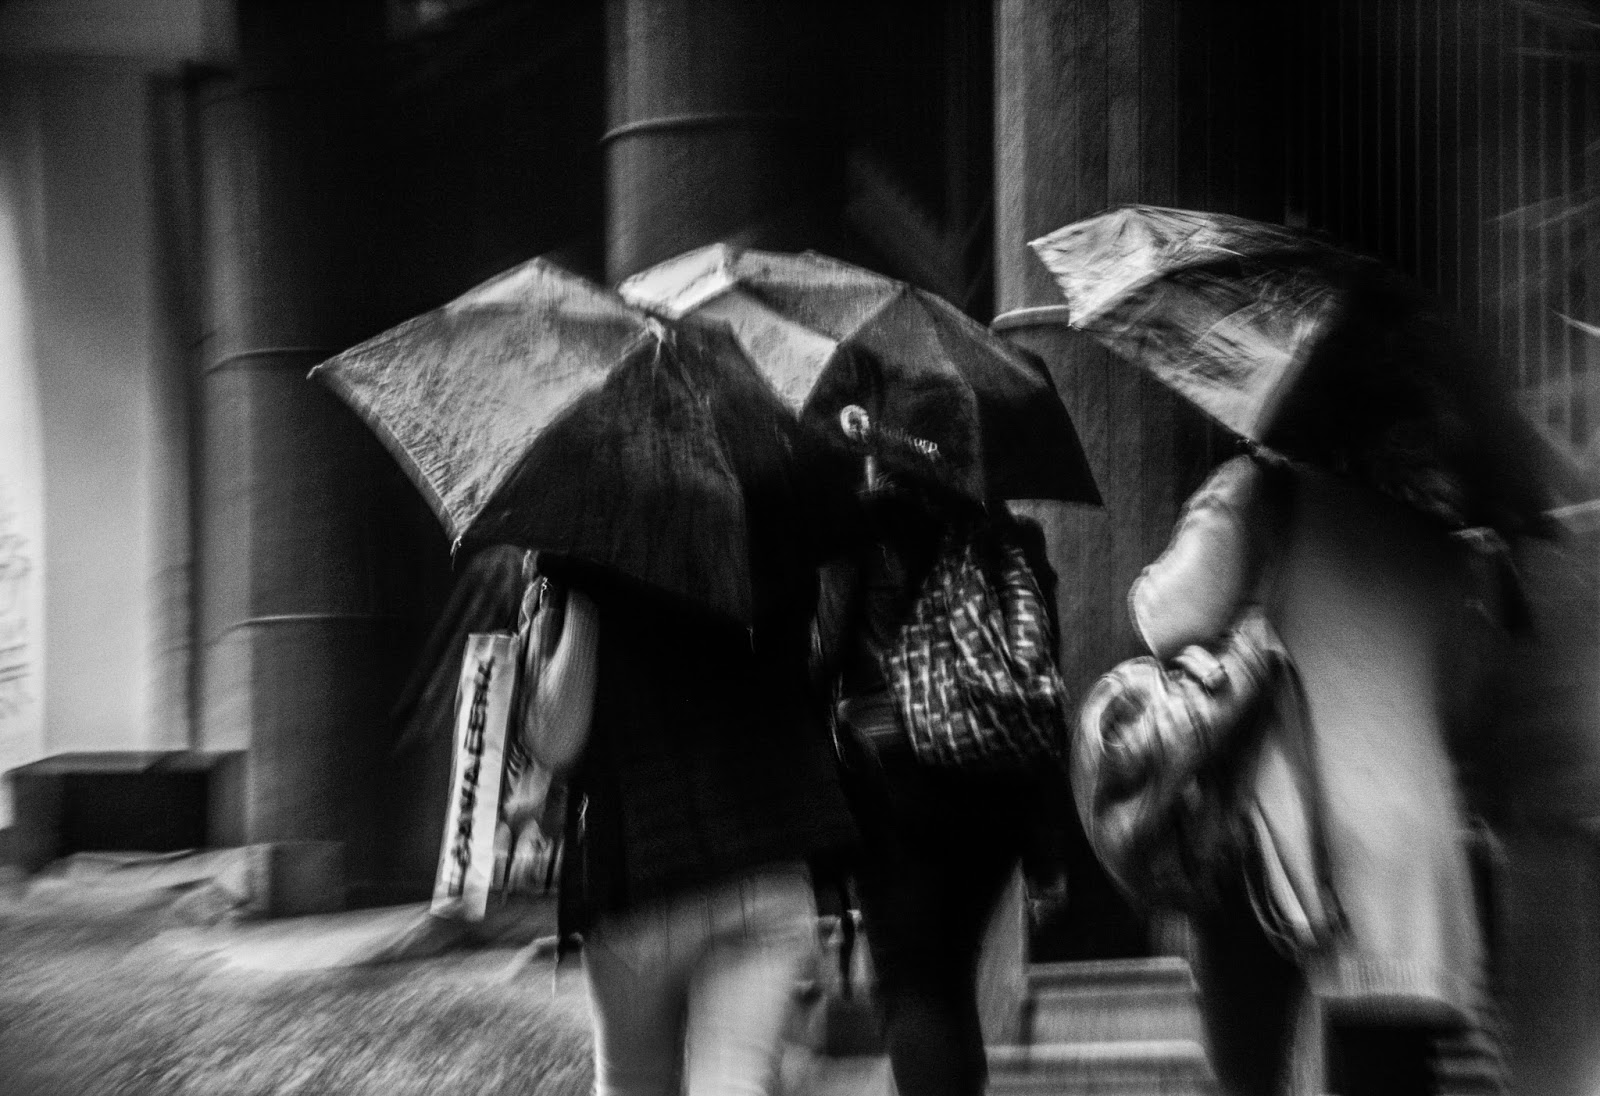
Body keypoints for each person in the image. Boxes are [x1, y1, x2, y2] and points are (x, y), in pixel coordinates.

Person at [540, 514, 857, 1096]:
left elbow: (556, 740)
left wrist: (579, 590)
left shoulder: (589, 541)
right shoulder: (776, 525)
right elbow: (820, 668)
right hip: (765, 857)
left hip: (639, 872)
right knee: (734, 1082)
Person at [813, 439, 1071, 1096]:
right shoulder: (1012, 541)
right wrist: (1045, 850)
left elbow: (821, 656)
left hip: (894, 786)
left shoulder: (862, 529)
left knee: (912, 984)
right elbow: (1044, 695)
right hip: (1000, 790)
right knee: (952, 976)